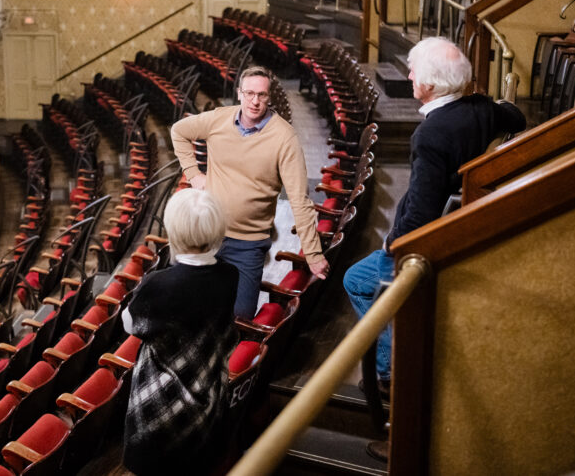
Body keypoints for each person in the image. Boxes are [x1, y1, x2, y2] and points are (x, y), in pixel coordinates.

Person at [343, 36, 526, 389]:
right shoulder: (480, 108)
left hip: (423, 242)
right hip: (458, 222)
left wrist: (392, 245)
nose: (409, 76)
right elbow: (516, 117)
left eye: (414, 72)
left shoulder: (431, 134)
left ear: (429, 84)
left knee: (355, 281)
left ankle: (391, 371)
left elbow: (421, 214)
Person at [171, 65, 328, 319]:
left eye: (262, 95)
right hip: (207, 233)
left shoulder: (284, 138)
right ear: (239, 93)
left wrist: (313, 253)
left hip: (248, 244)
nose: (255, 101)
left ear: (269, 97)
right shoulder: (218, 119)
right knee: (189, 307)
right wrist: (194, 174)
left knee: (241, 315)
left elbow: (299, 199)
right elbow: (178, 131)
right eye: (250, 93)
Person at [122, 188, 238, 475]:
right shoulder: (229, 275)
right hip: (207, 392)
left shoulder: (158, 284)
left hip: (162, 407)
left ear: (174, 232)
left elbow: (129, 324)